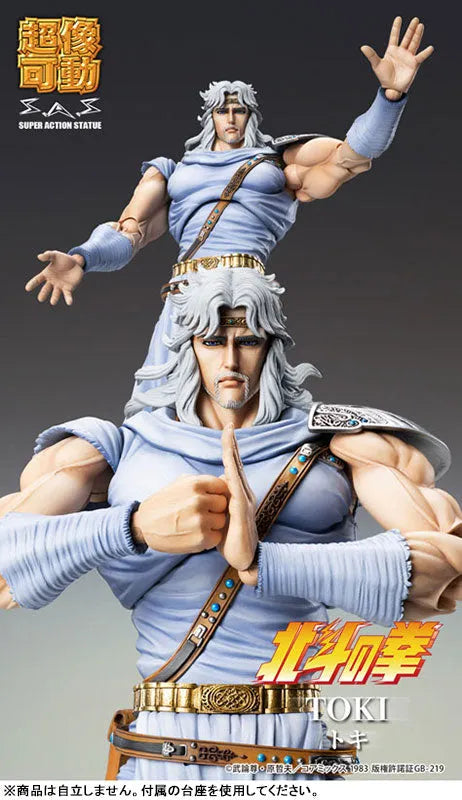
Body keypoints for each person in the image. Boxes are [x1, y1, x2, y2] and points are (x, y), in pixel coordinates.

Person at [1, 267, 461, 780]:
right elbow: (4, 570)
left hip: (291, 739)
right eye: (212, 341)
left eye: (248, 341)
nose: (230, 361)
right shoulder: (116, 448)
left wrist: (266, 563)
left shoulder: (341, 441)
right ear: (187, 346)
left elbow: (449, 565)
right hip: (166, 746)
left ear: (272, 346)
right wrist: (131, 527)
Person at [24, 17, 434, 396]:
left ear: (251, 115)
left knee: (251, 398)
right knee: (159, 401)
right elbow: (131, 232)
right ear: (210, 117)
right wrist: (83, 258)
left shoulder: (278, 164)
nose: (232, 117)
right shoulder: (173, 172)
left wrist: (390, 98)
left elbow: (351, 157)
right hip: (187, 291)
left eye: (240, 109)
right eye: (223, 110)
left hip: (247, 290)